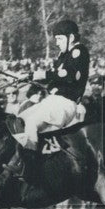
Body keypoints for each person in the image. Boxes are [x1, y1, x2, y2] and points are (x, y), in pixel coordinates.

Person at [14, 18, 90, 149]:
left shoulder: (80, 51)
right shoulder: (64, 54)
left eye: (60, 38)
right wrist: (30, 77)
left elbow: (68, 75)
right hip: (52, 101)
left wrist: (39, 75)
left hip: (65, 104)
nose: (57, 42)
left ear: (71, 37)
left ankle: (31, 163)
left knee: (31, 123)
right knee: (18, 120)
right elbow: (54, 75)